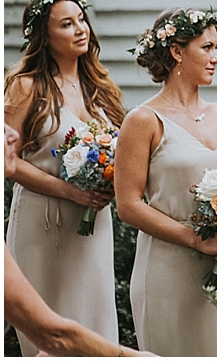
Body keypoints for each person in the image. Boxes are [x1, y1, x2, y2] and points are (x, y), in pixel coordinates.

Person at [115, 8, 217, 356]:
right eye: (206, 48)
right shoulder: (143, 120)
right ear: (177, 51)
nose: (216, 58)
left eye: (216, 47)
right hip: (168, 271)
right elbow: (128, 206)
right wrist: (196, 239)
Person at [4, 0, 124, 356]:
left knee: (97, 321)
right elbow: (9, 163)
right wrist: (70, 191)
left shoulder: (100, 89)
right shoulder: (26, 87)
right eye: (67, 24)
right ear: (44, 36)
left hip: (93, 225)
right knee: (53, 331)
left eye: (82, 19)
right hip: (44, 224)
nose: (81, 28)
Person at [3, 124, 153, 357]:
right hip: (47, 228)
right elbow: (52, 336)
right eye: (1, 129)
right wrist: (130, 357)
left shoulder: (102, 93)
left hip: (94, 233)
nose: (11, 133)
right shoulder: (29, 86)